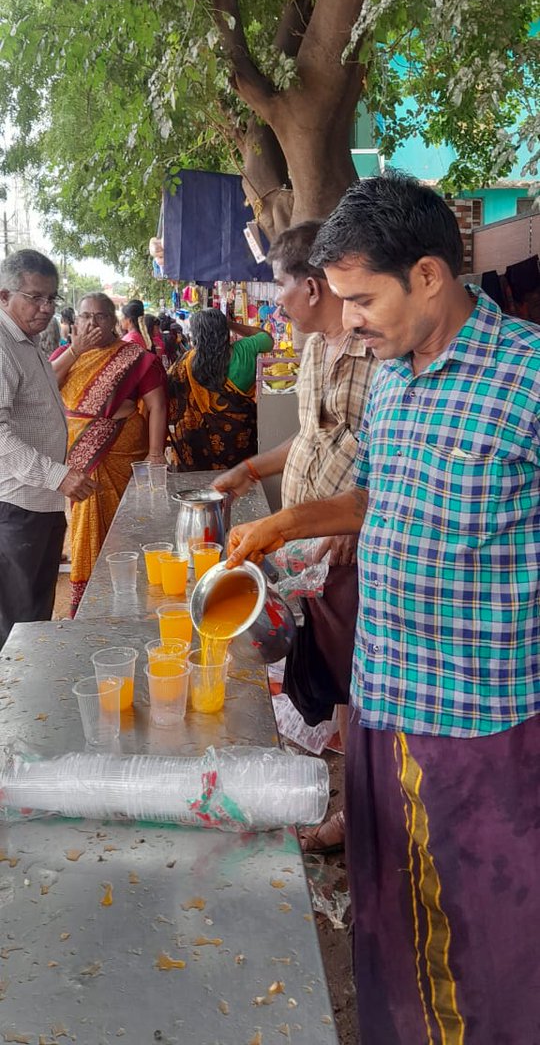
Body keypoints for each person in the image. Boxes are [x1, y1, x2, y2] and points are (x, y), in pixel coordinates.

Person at [225, 172, 540, 1045]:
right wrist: (281, 525)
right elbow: (372, 496)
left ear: (431, 276)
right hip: (385, 697)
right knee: (391, 922)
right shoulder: (395, 381)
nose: (349, 320)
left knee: (483, 943)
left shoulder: (529, 382)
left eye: (363, 299)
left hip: (481, 721)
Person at [214, 220, 377, 851]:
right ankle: (344, 806)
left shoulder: (381, 356)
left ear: (314, 286)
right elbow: (310, 438)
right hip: (307, 545)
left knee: (358, 690)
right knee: (335, 681)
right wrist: (251, 469)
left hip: (352, 548)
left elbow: (383, 465)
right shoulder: (313, 348)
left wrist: (346, 526)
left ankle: (356, 818)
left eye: (279, 286)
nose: (274, 299)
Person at [0, 250, 97, 647]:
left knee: (36, 612)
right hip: (17, 504)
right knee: (18, 620)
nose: (45, 308)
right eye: (35, 297)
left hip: (42, 503)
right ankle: (15, 703)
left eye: (51, 298)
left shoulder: (29, 340)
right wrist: (58, 474)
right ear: (4, 296)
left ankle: (29, 694)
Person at [50, 293, 167, 614]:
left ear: (113, 321)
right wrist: (75, 351)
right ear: (76, 322)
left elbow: (157, 406)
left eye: (100, 317)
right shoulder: (66, 354)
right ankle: (90, 602)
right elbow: (47, 385)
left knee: (126, 526)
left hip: (124, 453)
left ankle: (129, 595)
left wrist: (156, 453)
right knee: (85, 521)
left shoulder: (135, 357)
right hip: (81, 457)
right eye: (86, 317)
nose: (92, 323)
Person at [168, 308, 272, 471]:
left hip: (197, 444)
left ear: (196, 334)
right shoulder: (245, 349)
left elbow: (170, 394)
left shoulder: (185, 363)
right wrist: (230, 324)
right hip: (239, 439)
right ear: (225, 329)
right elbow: (266, 338)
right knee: (238, 484)